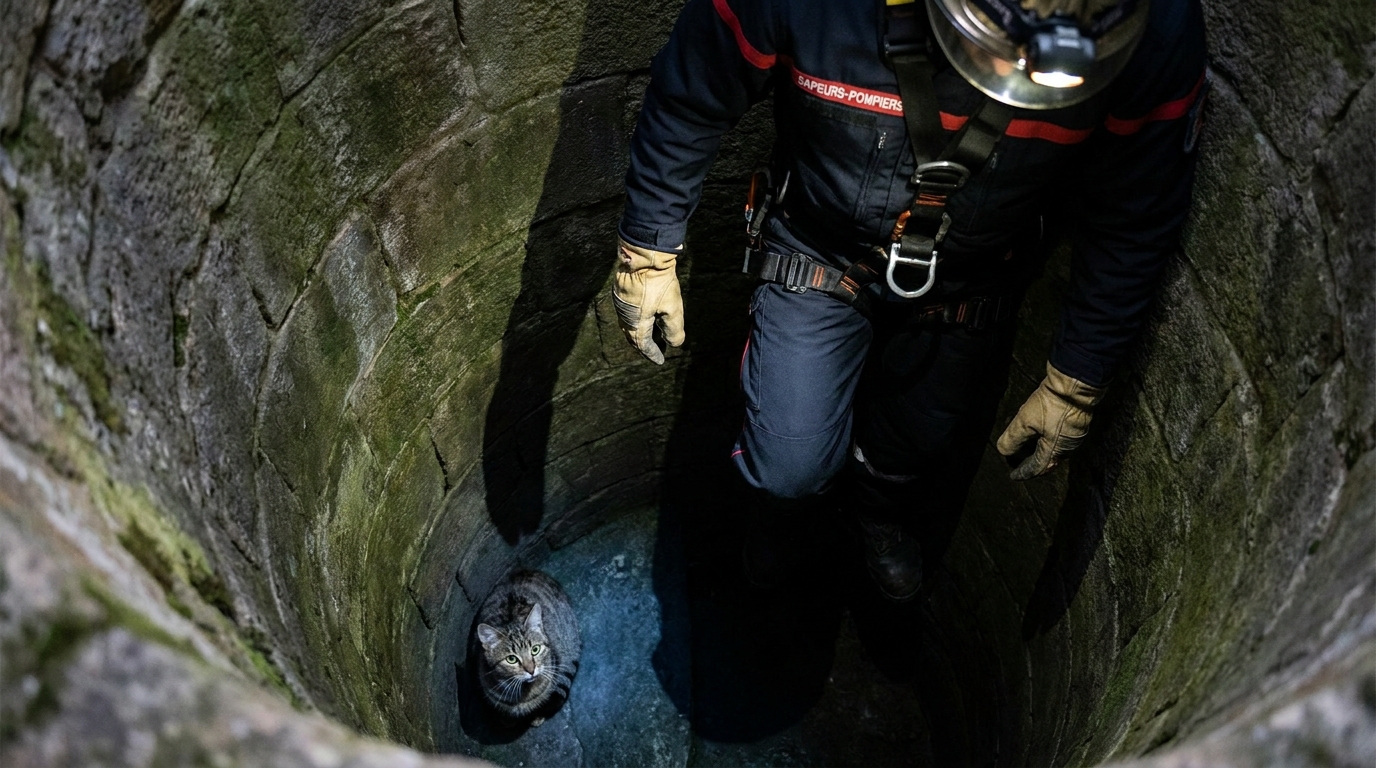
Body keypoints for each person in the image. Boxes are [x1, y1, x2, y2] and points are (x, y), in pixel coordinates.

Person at [611, 0, 1207, 600]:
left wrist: (1076, 378)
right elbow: (693, 93)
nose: (1027, 66)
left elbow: (1137, 210)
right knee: (789, 464)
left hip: (973, 276)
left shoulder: (1152, 28)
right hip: (822, 248)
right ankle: (783, 517)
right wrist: (648, 250)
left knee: (917, 440)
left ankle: (876, 512)